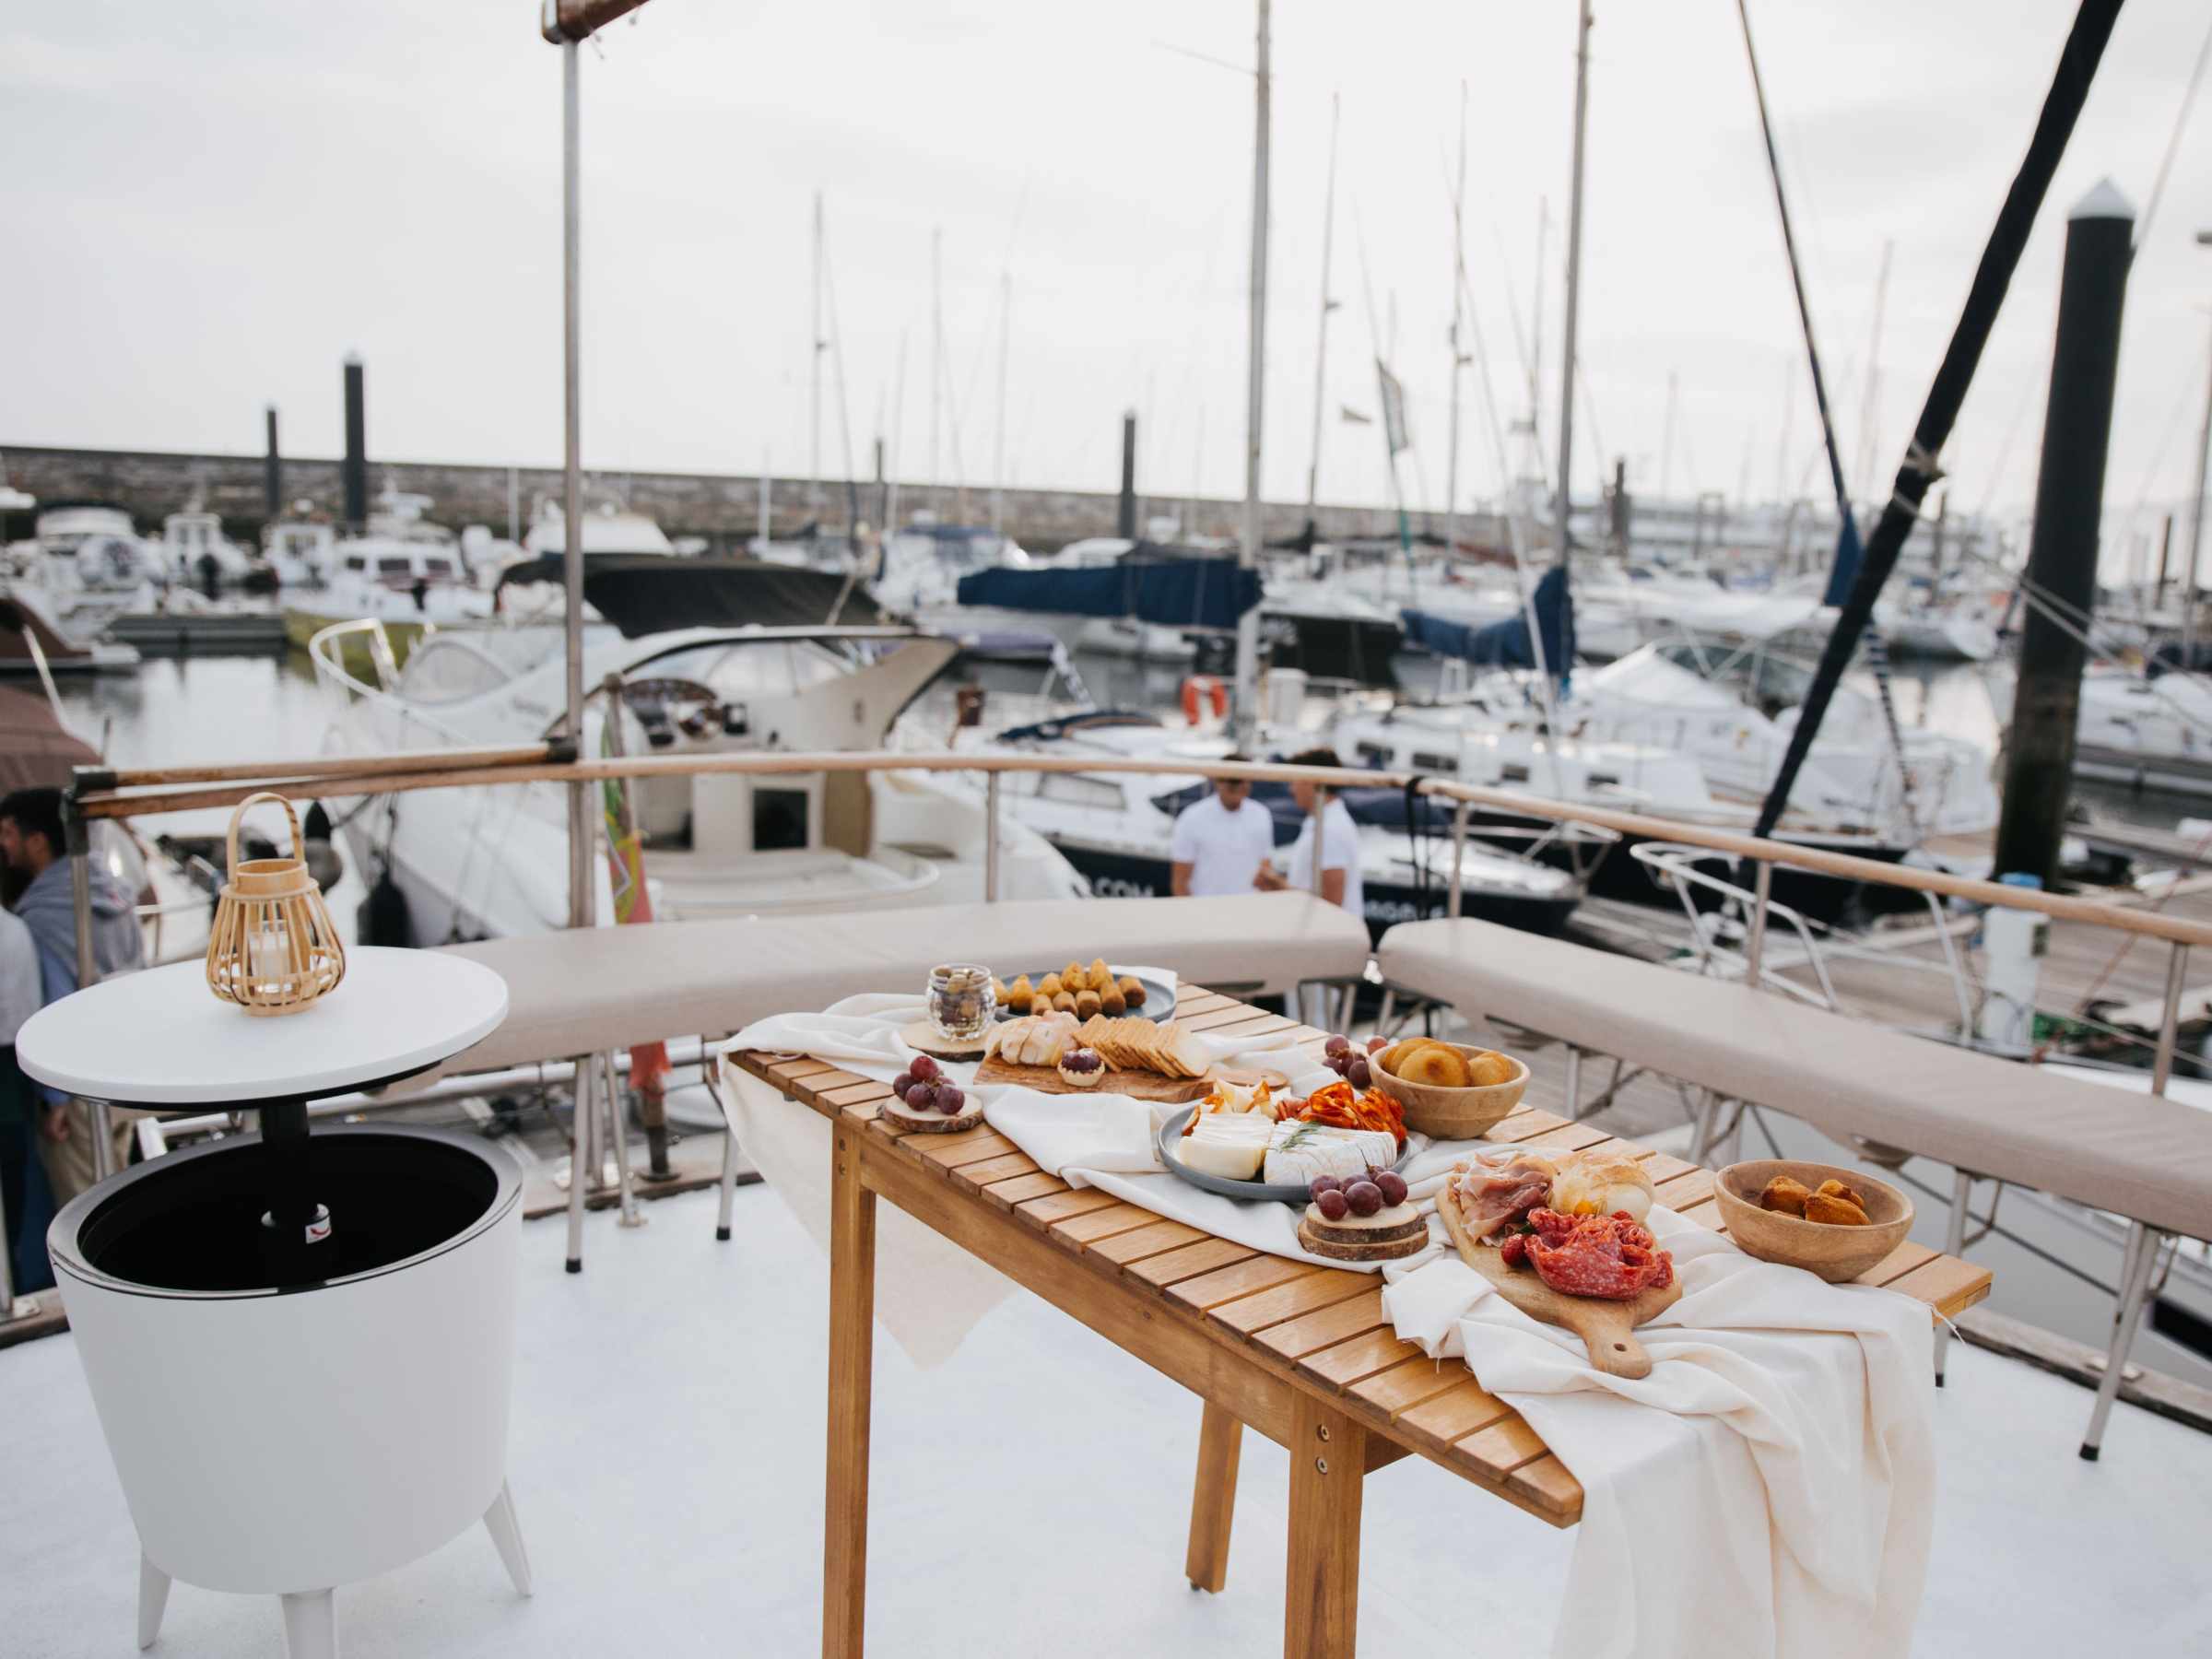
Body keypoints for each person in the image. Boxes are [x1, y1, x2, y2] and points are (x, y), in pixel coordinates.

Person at [0, 787, 146, 1204]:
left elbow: (57, 1005)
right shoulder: (116, 893)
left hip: (81, 1085)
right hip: (127, 1069)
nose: (2, 844)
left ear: (37, 841)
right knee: (122, 1186)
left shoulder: (43, 914)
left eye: (8, 833)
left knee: (86, 1203)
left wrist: (56, 1101)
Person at [0, 901, 54, 1293]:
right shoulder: (17, 929)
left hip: (9, 1074)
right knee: (14, 1187)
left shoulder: (14, 931)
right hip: (15, 1075)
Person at [1253, 747, 1364, 920]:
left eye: (1294, 781)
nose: (1291, 789)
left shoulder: (1330, 830)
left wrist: (1280, 886)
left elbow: (1331, 902)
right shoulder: (1325, 824)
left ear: (1311, 782)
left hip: (1327, 939)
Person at [1170, 761, 1276, 899]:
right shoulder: (1192, 817)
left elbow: (1265, 866)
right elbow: (1179, 882)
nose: (1237, 786)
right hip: (1207, 908)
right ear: (1218, 782)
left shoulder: (1261, 814)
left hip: (1250, 907)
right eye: (1232, 781)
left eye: (1243, 780)